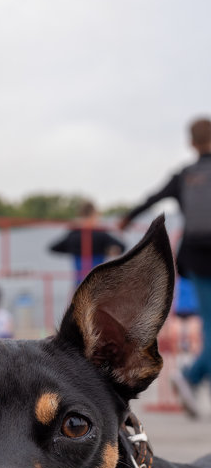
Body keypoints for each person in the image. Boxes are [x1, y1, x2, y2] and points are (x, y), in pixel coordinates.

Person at [120, 117, 211, 418]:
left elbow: (153, 198)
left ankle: (195, 376)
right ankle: (191, 377)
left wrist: (127, 218)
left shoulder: (185, 175)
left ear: (192, 143)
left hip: (196, 257)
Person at [49, 201, 126, 285]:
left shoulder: (74, 234)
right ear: (94, 214)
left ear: (81, 214)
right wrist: (109, 250)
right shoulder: (100, 233)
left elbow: (53, 248)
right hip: (98, 284)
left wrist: (73, 250)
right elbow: (122, 247)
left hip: (80, 285)